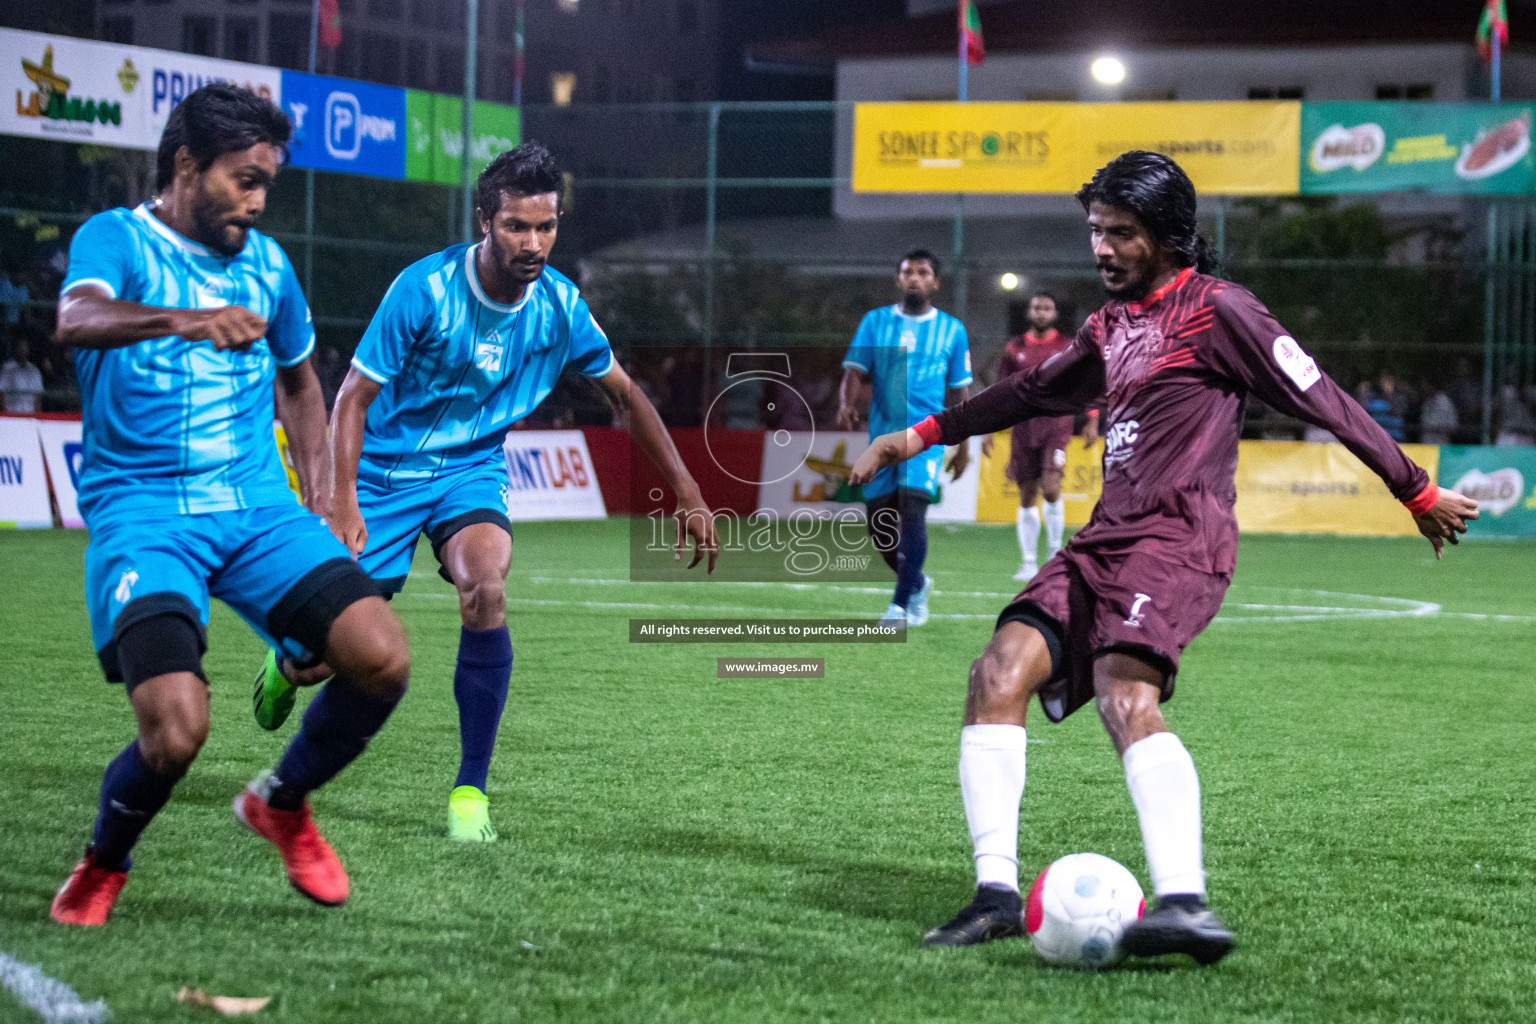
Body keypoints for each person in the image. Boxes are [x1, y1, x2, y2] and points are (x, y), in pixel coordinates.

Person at [850, 151, 1477, 962]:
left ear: (1169, 236)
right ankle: (996, 895)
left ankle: (1184, 901)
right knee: (996, 672)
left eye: (1120, 233)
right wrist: (922, 432)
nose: (1101, 249)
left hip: (1182, 537)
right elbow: (1032, 392)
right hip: (1105, 538)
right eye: (1095, 232)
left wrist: (1415, 489)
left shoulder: (1222, 312)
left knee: (1122, 689)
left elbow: (1321, 393)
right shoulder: (1109, 326)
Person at [252, 143, 718, 842]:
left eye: (547, 227)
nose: (534, 244)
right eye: (516, 227)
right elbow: (351, 399)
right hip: (381, 473)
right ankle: (288, 663)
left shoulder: (560, 307)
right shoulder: (424, 289)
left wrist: (685, 488)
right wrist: (341, 499)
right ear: (483, 220)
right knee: (328, 654)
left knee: (486, 588)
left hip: (469, 473)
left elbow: (626, 395)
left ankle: (470, 791)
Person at [48, 84, 413, 926]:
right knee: (176, 732)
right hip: (144, 512)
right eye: (244, 180)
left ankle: (282, 800)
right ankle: (105, 862)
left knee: (379, 655)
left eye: (266, 186)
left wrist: (325, 504)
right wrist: (182, 319)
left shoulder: (268, 263)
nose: (255, 202)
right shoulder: (119, 238)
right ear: (187, 165)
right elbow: (76, 317)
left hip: (256, 510)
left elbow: (301, 382)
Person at [836, 249, 973, 627]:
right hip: (881, 439)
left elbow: (961, 392)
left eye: (922, 272)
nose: (914, 278)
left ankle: (899, 606)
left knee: (913, 513)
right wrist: (846, 404)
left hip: (926, 438)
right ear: (899, 279)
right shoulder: (875, 322)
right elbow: (854, 371)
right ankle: (916, 582)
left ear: (935, 282)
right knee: (880, 529)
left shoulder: (952, 330)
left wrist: (964, 445)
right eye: (907, 272)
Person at [982, 291, 1099, 581]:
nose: (1042, 313)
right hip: (1024, 427)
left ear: (1055, 313)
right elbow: (1002, 391)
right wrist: (988, 428)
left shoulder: (1068, 346)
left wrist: (1092, 419)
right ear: (1030, 312)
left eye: (1047, 308)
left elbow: (1086, 382)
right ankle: (1028, 563)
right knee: (1026, 494)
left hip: (1056, 424)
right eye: (1037, 308)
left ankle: (1053, 556)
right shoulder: (1014, 348)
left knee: (1050, 487)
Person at [0, 339, 45, 413]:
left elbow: (38, 397)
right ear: (16, 348)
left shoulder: (34, 371)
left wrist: (36, 417)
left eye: (25, 347)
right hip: (11, 415)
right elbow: (1, 395)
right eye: (20, 346)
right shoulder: (7, 369)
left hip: (30, 415)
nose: (22, 350)